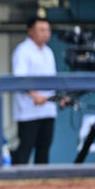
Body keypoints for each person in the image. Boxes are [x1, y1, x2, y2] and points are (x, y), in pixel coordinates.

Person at [11, 17, 64, 165]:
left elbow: (52, 79)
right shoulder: (23, 50)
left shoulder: (48, 51)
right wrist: (34, 95)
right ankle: (18, 181)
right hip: (28, 110)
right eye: (42, 30)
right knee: (25, 147)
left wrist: (60, 97)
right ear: (31, 32)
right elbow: (19, 78)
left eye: (48, 30)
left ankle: (42, 183)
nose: (46, 33)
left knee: (44, 148)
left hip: (48, 109)